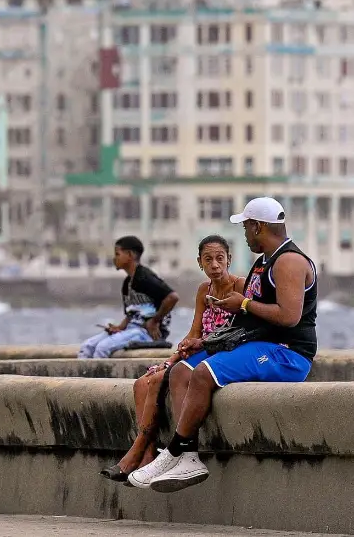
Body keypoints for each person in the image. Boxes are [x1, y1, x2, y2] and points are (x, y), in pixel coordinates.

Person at [129, 197, 318, 492]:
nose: (244, 234)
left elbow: (289, 317)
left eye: (245, 227)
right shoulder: (263, 263)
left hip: (286, 354)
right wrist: (204, 342)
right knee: (181, 371)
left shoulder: (289, 261)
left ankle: (176, 451)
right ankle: (187, 456)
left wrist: (242, 303)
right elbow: (251, 319)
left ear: (258, 226)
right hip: (259, 345)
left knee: (203, 373)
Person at [101, 234, 245, 482]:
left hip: (220, 354)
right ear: (200, 262)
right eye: (208, 259)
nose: (214, 265)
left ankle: (137, 453)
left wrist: (194, 348)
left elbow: (239, 332)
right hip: (200, 351)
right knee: (141, 383)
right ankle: (147, 454)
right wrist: (175, 355)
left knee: (157, 382)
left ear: (229, 259)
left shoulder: (240, 287)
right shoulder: (203, 290)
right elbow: (195, 332)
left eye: (220, 258)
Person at [78, 236, 179, 359]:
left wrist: (155, 320)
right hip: (131, 329)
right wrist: (119, 327)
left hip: (147, 332)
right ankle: (84, 378)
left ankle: (100, 378)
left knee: (103, 348)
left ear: (130, 255)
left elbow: (172, 297)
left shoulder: (144, 277)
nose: (115, 259)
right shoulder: (127, 283)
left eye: (117, 254)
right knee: (87, 347)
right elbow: (132, 313)